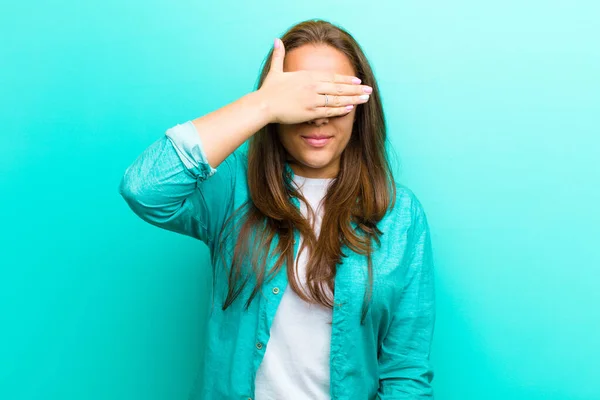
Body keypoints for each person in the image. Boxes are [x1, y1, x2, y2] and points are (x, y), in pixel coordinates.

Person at [119, 19, 436, 400]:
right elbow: (144, 189)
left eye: (335, 97)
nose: (319, 115)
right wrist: (262, 105)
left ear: (361, 107)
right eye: (305, 97)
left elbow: (405, 371)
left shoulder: (401, 214)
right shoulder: (233, 189)